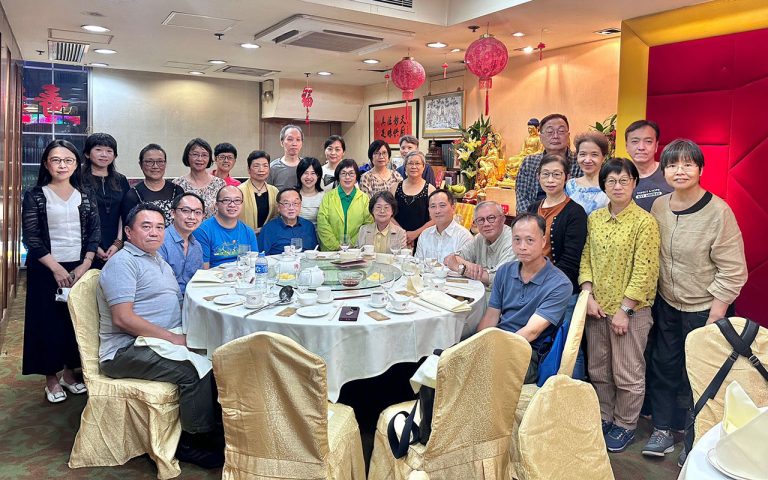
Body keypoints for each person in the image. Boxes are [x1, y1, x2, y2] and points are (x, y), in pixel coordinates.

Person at [642, 139, 747, 463]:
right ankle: (662, 430)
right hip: (667, 303)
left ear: (700, 169)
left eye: (688, 164)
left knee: (700, 372)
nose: (680, 170)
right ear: (664, 170)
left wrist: (716, 315)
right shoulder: (659, 205)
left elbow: (733, 269)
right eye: (673, 164)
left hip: (705, 307)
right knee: (663, 366)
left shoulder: (718, 211)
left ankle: (696, 436)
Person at [98, 203, 223, 469]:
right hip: (126, 350)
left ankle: (212, 427)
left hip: (157, 340)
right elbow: (123, 319)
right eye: (146, 227)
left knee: (218, 353)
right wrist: (172, 338)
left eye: (158, 227)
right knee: (194, 370)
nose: (154, 232)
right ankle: (191, 442)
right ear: (129, 233)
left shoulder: (156, 259)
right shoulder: (123, 262)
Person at [579, 158, 660, 453]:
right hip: (597, 308)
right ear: (603, 185)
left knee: (627, 372)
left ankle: (625, 424)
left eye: (624, 180)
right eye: (611, 181)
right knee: (599, 368)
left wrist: (625, 310)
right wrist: (587, 293)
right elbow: (586, 257)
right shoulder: (595, 219)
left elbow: (645, 270)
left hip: (631, 312)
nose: (617, 186)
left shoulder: (645, 222)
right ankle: (604, 416)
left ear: (634, 183)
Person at [22, 139, 99, 403]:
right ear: (46, 163)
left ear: (77, 164)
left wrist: (86, 263)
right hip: (46, 269)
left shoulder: (85, 195)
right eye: (56, 160)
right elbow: (31, 237)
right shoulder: (35, 195)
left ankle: (69, 373)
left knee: (75, 322)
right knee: (47, 324)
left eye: (68, 160)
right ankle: (51, 379)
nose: (62, 165)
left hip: (79, 267)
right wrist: (55, 268)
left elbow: (94, 233)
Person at [477, 214, 572, 384]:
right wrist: (476, 346)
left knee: (478, 371)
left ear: (543, 241)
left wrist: (490, 351)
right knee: (444, 359)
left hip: (528, 354)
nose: (522, 247)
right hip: (497, 342)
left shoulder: (560, 284)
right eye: (517, 240)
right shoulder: (505, 271)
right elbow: (491, 316)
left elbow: (531, 332)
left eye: (530, 240)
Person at [515, 114, 582, 214]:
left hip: (569, 219)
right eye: (550, 132)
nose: (555, 136)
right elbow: (522, 198)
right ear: (541, 137)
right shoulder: (529, 162)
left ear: (568, 136)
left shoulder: (579, 162)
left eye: (561, 131)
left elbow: (583, 199)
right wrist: (534, 222)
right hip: (533, 221)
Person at [81, 132, 130, 267]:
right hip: (84, 244)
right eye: (98, 150)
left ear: (114, 156)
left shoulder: (121, 180)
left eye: (109, 151)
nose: (104, 154)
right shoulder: (77, 179)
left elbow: (124, 213)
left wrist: (118, 242)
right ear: (87, 154)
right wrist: (93, 247)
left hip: (116, 243)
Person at [444, 201, 514, 287]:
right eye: (480, 220)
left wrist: (462, 269)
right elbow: (451, 258)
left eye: (491, 218)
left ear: (503, 219)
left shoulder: (514, 240)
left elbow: (499, 278)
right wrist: (469, 265)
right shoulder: (480, 237)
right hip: (479, 291)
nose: (486, 224)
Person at [193, 186, 259, 268]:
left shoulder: (248, 231)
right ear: (216, 205)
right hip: (214, 278)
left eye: (237, 200)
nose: (232, 205)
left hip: (243, 277)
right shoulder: (202, 231)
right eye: (226, 200)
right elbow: (203, 270)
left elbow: (254, 264)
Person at [121, 143, 184, 226]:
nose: (155, 166)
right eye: (149, 162)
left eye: (160, 161)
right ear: (140, 164)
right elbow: (130, 226)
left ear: (165, 164)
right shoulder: (132, 195)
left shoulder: (177, 191)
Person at [317, 159, 373, 250]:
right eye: (343, 173)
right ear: (338, 176)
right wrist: (336, 245)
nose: (347, 177)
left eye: (351, 173)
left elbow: (368, 224)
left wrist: (351, 244)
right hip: (330, 251)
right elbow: (322, 223)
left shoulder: (364, 198)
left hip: (355, 250)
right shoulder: (328, 197)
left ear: (356, 177)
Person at [158, 193, 205, 295]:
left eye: (198, 212)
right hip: (168, 302)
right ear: (173, 213)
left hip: (191, 300)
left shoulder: (197, 246)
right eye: (186, 211)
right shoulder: (160, 241)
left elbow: (199, 281)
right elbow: (158, 284)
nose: (192, 217)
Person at [391, 150, 435, 248]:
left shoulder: (430, 190)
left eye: (417, 163)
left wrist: (415, 234)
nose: (414, 167)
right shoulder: (394, 187)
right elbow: (389, 214)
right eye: (410, 163)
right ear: (405, 167)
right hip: (397, 238)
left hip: (422, 240)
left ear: (423, 167)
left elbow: (434, 219)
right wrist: (403, 234)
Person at [415, 189, 473, 264]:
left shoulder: (464, 236)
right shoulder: (424, 235)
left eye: (442, 205)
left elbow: (466, 269)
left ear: (453, 208)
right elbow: (417, 265)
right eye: (433, 206)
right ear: (429, 210)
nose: (437, 211)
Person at [173, 138, 226, 219]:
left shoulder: (220, 184)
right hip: (186, 231)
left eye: (204, 155)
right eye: (195, 154)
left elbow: (225, 212)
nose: (200, 159)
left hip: (212, 231)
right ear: (187, 156)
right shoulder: (177, 184)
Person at [626, 120, 672, 212]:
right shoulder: (619, 177)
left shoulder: (671, 172)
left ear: (656, 146)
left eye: (648, 141)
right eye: (635, 141)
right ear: (626, 146)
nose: (641, 147)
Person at [259, 188, 318, 255]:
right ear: (278, 207)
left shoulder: (308, 226)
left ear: (300, 205)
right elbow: (261, 256)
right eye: (286, 203)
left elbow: (314, 252)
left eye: (295, 203)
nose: (291, 208)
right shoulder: (269, 228)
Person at [566, 132, 610, 215]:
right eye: (583, 154)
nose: (587, 160)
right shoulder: (571, 186)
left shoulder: (611, 185)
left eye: (594, 155)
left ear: (603, 157)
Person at [239, 150, 278, 234]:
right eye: (256, 166)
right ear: (249, 169)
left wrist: (264, 229)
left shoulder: (274, 191)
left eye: (265, 166)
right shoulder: (239, 191)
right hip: (244, 235)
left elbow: (278, 216)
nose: (261, 170)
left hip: (268, 236)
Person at [267, 124, 303, 190]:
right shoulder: (273, 168)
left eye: (298, 139)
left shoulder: (307, 166)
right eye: (290, 139)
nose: (294, 144)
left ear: (302, 143)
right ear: (282, 142)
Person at [296, 157, 325, 225]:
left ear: (318, 176)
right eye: (305, 173)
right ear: (299, 174)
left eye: (313, 173)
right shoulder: (292, 194)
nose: (309, 177)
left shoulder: (324, 197)